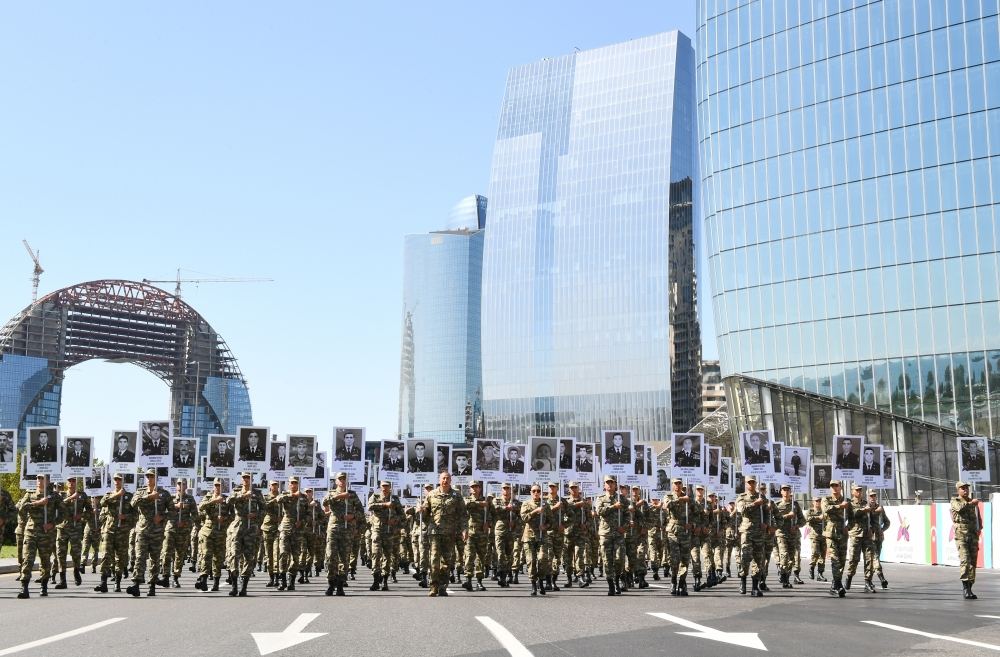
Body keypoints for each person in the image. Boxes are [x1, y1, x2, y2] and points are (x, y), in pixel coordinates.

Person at [128, 468, 175, 597]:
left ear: (156, 478)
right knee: (139, 557)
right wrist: (149, 497)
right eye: (148, 476)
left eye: (152, 476)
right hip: (142, 530)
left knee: (154, 559)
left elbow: (172, 511)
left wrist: (162, 517)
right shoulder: (140, 492)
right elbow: (133, 503)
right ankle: (136, 584)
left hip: (157, 531)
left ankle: (152, 585)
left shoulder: (164, 494)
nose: (149, 479)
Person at [421, 471, 467, 596]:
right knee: (434, 559)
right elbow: (425, 514)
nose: (445, 481)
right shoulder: (431, 495)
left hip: (450, 532)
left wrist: (464, 529)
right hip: (435, 532)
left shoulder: (456, 496)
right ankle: (433, 586)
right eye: (443, 478)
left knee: (447, 561)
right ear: (439, 480)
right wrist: (422, 511)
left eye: (447, 478)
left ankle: (443, 586)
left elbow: (463, 514)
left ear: (450, 480)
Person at [94, 473, 135, 593]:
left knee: (120, 558)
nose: (117, 481)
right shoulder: (109, 494)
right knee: (106, 556)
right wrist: (117, 495)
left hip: (122, 531)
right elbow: (102, 503)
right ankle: (103, 583)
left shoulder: (129, 496)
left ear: (123, 481)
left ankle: (117, 582)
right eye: (115, 479)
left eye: (119, 479)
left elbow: (135, 515)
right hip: (109, 530)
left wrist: (125, 517)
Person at [227, 472, 265, 596]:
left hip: (251, 528)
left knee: (250, 557)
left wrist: (256, 515)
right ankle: (234, 586)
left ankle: (244, 586)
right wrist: (242, 496)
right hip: (238, 527)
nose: (245, 480)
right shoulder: (236, 490)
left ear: (251, 479)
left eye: (248, 477)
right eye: (244, 477)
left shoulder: (257, 493)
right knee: (234, 555)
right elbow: (229, 501)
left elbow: (264, 509)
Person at [54, 476, 91, 589]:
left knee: (76, 553)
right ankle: (62, 580)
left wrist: (81, 515)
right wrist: (70, 498)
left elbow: (90, 511)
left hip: (76, 528)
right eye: (69, 480)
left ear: (77, 482)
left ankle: (76, 571)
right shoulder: (61, 495)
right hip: (62, 527)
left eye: (73, 480)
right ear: (66, 482)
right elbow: (57, 506)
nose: (71, 483)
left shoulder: (82, 495)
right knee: (61, 554)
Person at [735, 475, 769, 597]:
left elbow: (766, 512)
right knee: (745, 557)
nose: (751, 484)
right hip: (747, 532)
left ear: (755, 483)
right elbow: (742, 510)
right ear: (745, 484)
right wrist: (755, 503)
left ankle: (755, 586)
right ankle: (743, 580)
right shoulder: (741, 497)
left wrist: (766, 523)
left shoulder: (762, 497)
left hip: (759, 532)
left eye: (753, 482)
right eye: (749, 482)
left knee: (758, 559)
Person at [195, 478, 231, 592]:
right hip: (208, 532)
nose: (217, 487)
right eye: (216, 485)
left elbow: (234, 515)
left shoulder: (226, 499)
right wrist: (214, 501)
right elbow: (200, 507)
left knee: (218, 558)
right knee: (206, 556)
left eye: (219, 485)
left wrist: (225, 518)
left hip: (220, 532)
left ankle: (216, 582)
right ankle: (204, 580)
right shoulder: (208, 497)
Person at [519, 483, 554, 596]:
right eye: (534, 491)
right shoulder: (526, 504)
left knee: (543, 559)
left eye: (538, 491)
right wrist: (535, 511)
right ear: (530, 492)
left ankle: (541, 580)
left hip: (542, 536)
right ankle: (534, 584)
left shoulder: (546, 505)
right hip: (529, 537)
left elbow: (551, 522)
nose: (536, 493)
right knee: (531, 561)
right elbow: (524, 518)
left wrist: (545, 526)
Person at [596, 475, 628, 595]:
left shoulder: (622, 499)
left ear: (615, 484)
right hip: (606, 533)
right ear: (604, 485)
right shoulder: (601, 498)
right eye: (607, 483)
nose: (609, 485)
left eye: (612, 482)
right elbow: (600, 512)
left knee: (619, 559)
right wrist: (614, 506)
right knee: (607, 560)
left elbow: (627, 515)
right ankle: (611, 584)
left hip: (618, 533)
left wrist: (624, 527)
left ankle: (617, 579)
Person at [952, 481, 983, 599]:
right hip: (961, 536)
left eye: (966, 488)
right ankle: (965, 588)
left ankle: (970, 586)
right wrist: (971, 503)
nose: (965, 490)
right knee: (965, 560)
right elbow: (959, 509)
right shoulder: (955, 501)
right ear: (958, 490)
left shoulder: (972, 502)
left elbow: (977, 517)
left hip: (973, 536)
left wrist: (979, 528)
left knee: (973, 563)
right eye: (962, 488)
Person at [461, 481, 493, 592]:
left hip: (482, 533)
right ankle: (468, 579)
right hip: (470, 532)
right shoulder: (466, 500)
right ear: (469, 489)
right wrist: (480, 504)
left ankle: (479, 581)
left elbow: (490, 514)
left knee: (481, 557)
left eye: (476, 487)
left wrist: (488, 523)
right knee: (469, 556)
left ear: (480, 488)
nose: (474, 489)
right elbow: (466, 507)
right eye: (472, 487)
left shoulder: (486, 501)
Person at [821, 481, 850, 597]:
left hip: (843, 534)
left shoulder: (846, 500)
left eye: (836, 486)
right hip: (831, 534)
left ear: (840, 487)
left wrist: (848, 527)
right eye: (832, 486)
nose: (834, 488)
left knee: (842, 561)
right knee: (835, 560)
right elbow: (826, 509)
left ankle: (834, 585)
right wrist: (839, 506)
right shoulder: (826, 499)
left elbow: (852, 516)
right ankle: (839, 584)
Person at [773, 484, 805, 589]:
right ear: (781, 492)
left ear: (790, 491)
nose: (786, 492)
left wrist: (796, 526)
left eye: (787, 490)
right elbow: (774, 519)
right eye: (784, 490)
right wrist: (787, 516)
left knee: (791, 558)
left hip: (793, 535)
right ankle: (783, 574)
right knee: (784, 555)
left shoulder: (795, 505)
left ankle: (786, 577)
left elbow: (803, 520)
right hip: (781, 533)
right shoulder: (777, 505)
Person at [492, 482, 521, 588]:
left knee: (509, 554)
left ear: (511, 490)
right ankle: (501, 576)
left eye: (508, 488)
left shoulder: (516, 502)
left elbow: (521, 516)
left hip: (511, 530)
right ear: (501, 490)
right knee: (500, 553)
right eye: (504, 488)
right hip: (500, 530)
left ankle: (506, 574)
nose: (506, 490)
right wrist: (506, 508)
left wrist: (515, 522)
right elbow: (495, 510)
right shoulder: (497, 500)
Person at [806, 498, 827, 581]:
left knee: (822, 555)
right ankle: (811, 568)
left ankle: (820, 573)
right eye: (816, 501)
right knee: (815, 553)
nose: (818, 502)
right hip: (814, 535)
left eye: (819, 501)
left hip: (824, 535)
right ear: (813, 502)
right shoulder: (810, 511)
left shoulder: (824, 511)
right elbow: (808, 519)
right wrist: (819, 517)